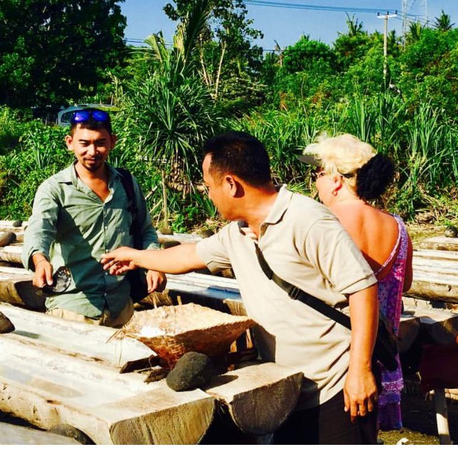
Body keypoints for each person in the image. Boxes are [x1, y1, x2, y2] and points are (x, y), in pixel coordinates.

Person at [101, 131, 380, 444]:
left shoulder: (308, 220)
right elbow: (190, 255)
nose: (208, 195)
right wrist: (134, 256)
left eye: (209, 187)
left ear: (231, 184)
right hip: (288, 387)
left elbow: (363, 289)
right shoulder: (237, 232)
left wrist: (361, 371)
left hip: (336, 386)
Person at [301, 133, 413, 431]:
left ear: (336, 179)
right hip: (381, 353)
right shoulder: (397, 226)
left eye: (318, 173)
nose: (315, 182)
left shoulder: (325, 224)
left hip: (335, 359)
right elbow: (407, 282)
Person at [21, 108, 165, 327]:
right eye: (84, 143)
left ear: (112, 142)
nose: (92, 151)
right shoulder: (55, 189)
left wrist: (154, 264)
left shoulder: (126, 183)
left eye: (100, 143)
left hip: (121, 306)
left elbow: (145, 230)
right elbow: (40, 230)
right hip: (73, 307)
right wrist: (40, 261)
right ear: (70, 142)